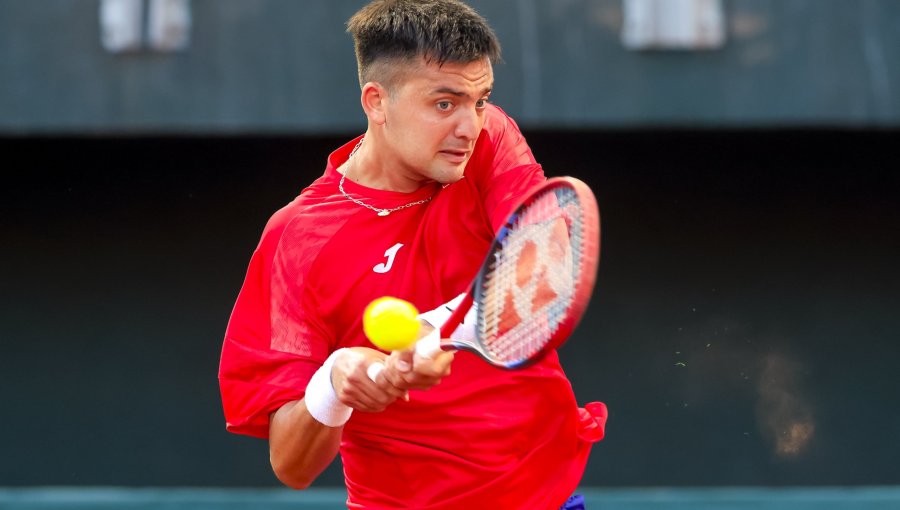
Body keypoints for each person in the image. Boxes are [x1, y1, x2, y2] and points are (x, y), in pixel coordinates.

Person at [218, 1, 607, 508]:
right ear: (377, 102)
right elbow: (290, 464)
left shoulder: (489, 139)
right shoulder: (298, 240)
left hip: (546, 496)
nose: (468, 126)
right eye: (444, 104)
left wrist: (433, 330)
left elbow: (545, 263)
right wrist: (336, 383)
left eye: (481, 99)